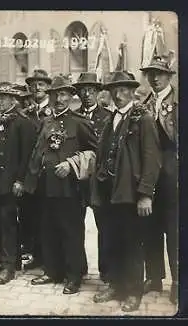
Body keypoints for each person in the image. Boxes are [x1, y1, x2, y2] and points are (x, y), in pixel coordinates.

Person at [91, 71, 161, 312]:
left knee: (132, 243)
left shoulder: (143, 118)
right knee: (112, 240)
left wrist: (145, 194)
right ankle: (115, 285)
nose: (118, 95)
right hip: (109, 191)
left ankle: (133, 291)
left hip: (130, 193)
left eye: (123, 90)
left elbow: (151, 158)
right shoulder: (110, 119)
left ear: (132, 92)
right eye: (114, 91)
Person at [25, 74, 97, 295]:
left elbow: (95, 152)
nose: (58, 98)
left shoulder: (79, 123)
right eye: (55, 94)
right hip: (46, 186)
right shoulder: (46, 122)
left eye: (63, 94)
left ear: (70, 97)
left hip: (69, 189)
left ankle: (73, 275)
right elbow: (38, 153)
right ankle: (52, 270)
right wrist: (30, 183)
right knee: (48, 230)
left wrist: (72, 164)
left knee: (71, 232)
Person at [0, 83, 38, 284]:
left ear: (14, 100)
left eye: (4, 97)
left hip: (11, 183)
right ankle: (5, 259)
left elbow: (28, 156)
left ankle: (9, 266)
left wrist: (20, 180)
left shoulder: (23, 122)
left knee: (8, 225)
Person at [140, 55, 178, 305]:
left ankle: (178, 282)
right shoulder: (144, 104)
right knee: (150, 228)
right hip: (149, 176)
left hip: (173, 176)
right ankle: (154, 277)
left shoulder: (178, 103)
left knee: (174, 230)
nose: (154, 78)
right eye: (151, 73)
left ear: (169, 76)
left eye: (160, 73)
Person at [73, 72, 113, 282]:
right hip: (78, 181)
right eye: (83, 90)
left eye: (91, 90)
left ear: (98, 92)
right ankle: (78, 269)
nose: (87, 94)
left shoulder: (108, 117)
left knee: (104, 226)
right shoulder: (73, 116)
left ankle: (106, 271)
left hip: (99, 180)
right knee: (74, 224)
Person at [21, 69, 54, 271]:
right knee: (31, 215)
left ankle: (50, 258)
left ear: (48, 87)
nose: (37, 88)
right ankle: (36, 255)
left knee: (47, 217)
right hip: (29, 171)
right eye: (33, 85)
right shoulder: (26, 113)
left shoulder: (52, 110)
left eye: (41, 84)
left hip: (47, 171)